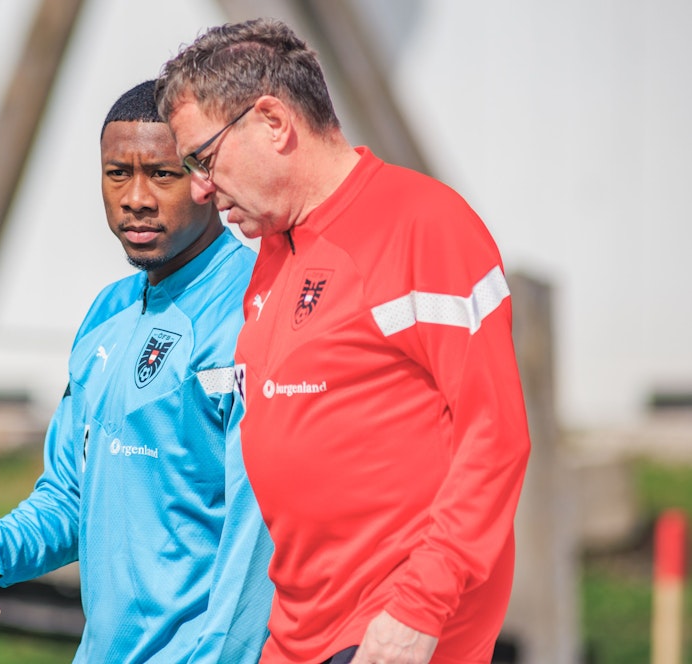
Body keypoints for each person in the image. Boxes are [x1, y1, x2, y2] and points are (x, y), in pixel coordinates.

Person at [156, 18, 531, 664]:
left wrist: (419, 605)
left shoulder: (423, 224)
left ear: (272, 122)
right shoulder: (272, 253)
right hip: (299, 629)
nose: (199, 187)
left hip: (394, 626)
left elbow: (495, 436)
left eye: (204, 158)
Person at [0, 79, 273, 662]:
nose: (135, 197)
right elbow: (70, 495)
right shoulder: (107, 313)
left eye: (161, 174)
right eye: (118, 173)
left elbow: (260, 538)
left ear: (208, 178)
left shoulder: (256, 314)